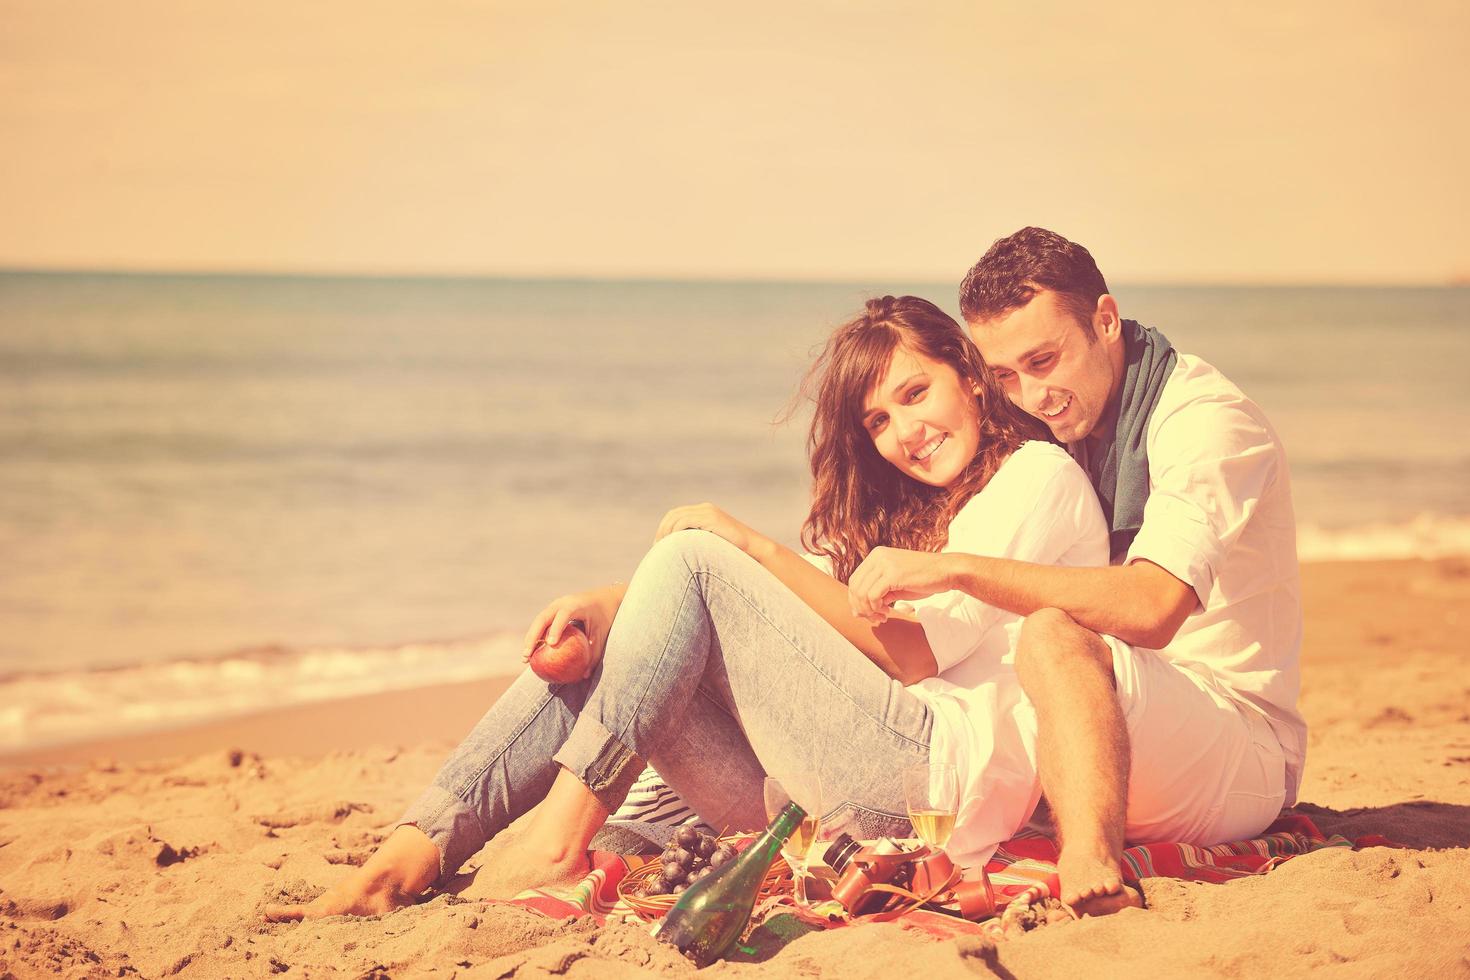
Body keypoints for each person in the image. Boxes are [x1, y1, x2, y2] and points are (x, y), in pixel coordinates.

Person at [265, 296, 1108, 922]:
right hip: (834, 794)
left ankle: (557, 839)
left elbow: (915, 652)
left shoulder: (1034, 479)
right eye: (880, 420)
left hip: (930, 790)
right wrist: (603, 609)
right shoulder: (916, 512)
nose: (905, 431)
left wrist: (746, 544)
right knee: (631, 620)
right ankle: (412, 850)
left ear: (967, 374)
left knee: (700, 556)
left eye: (916, 394)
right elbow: (792, 606)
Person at [846, 228, 1305, 917]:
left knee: (1050, 633)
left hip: (1233, 744)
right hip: (1114, 713)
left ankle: (1089, 860)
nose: (1032, 395)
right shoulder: (1063, 417)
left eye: (1044, 359)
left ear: (1106, 320)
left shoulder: (1204, 424)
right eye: (1005, 375)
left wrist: (956, 570)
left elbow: (1152, 608)